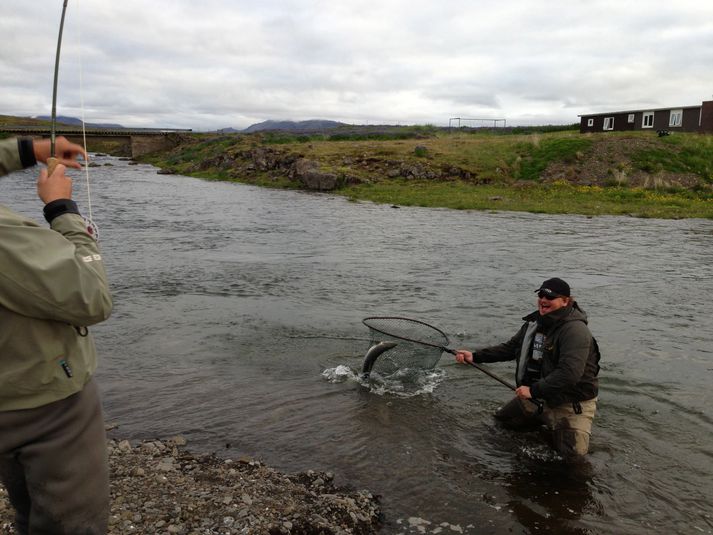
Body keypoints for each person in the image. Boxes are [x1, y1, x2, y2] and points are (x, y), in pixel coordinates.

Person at [0, 136, 113, 534]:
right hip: (45, 405)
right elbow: (91, 298)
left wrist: (28, 151)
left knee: (31, 512)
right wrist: (63, 212)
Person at [455, 278, 600, 459]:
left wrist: (533, 390)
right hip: (537, 397)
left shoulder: (575, 330)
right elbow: (510, 348)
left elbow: (569, 374)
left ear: (565, 301)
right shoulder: (534, 323)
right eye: (540, 295)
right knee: (501, 423)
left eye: (550, 297)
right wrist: (475, 356)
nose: (543, 300)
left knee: (572, 462)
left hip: (570, 405)